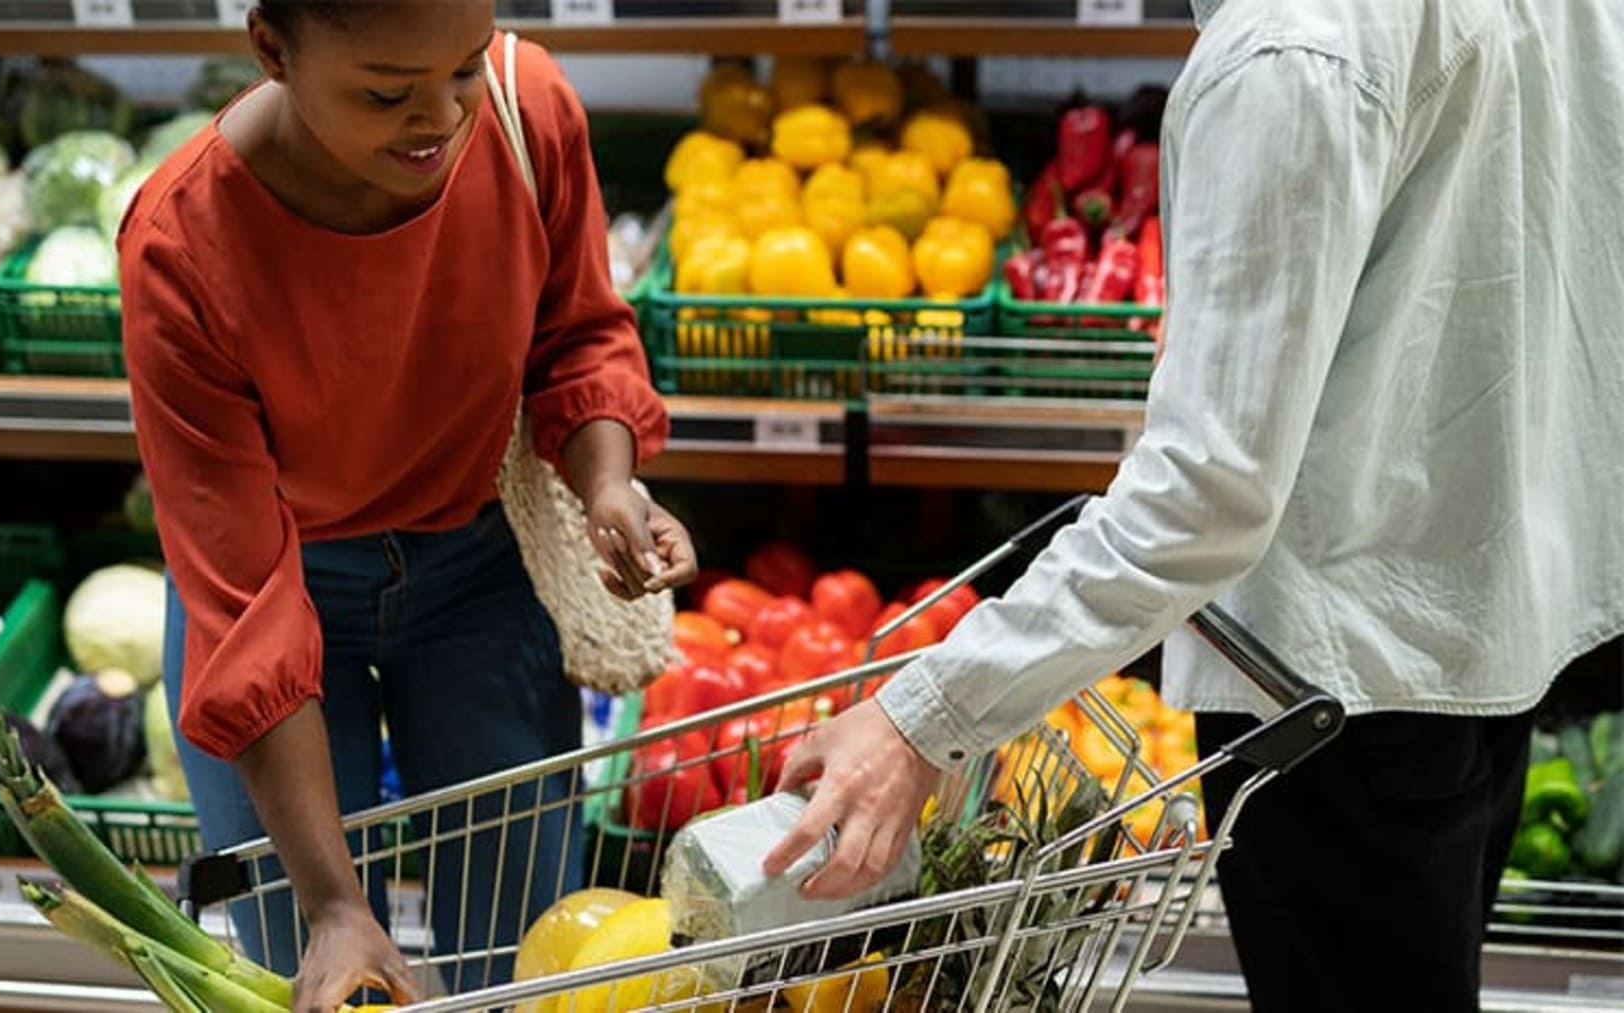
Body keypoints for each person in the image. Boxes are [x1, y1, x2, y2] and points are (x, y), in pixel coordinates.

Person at [765, 0, 1624, 1009]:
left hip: (1332, 685)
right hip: (1477, 625)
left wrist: (924, 720)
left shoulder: (1285, 49)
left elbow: (1203, 495)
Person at [119, 1, 696, 1008]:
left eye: (464, 67)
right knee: (304, 957)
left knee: (519, 957)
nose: (442, 117)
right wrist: (335, 904)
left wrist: (605, 478)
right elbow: (245, 599)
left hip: (484, 571)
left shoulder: (524, 107)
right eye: (387, 93)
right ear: (272, 49)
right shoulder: (182, 244)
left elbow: (580, 333)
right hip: (278, 587)